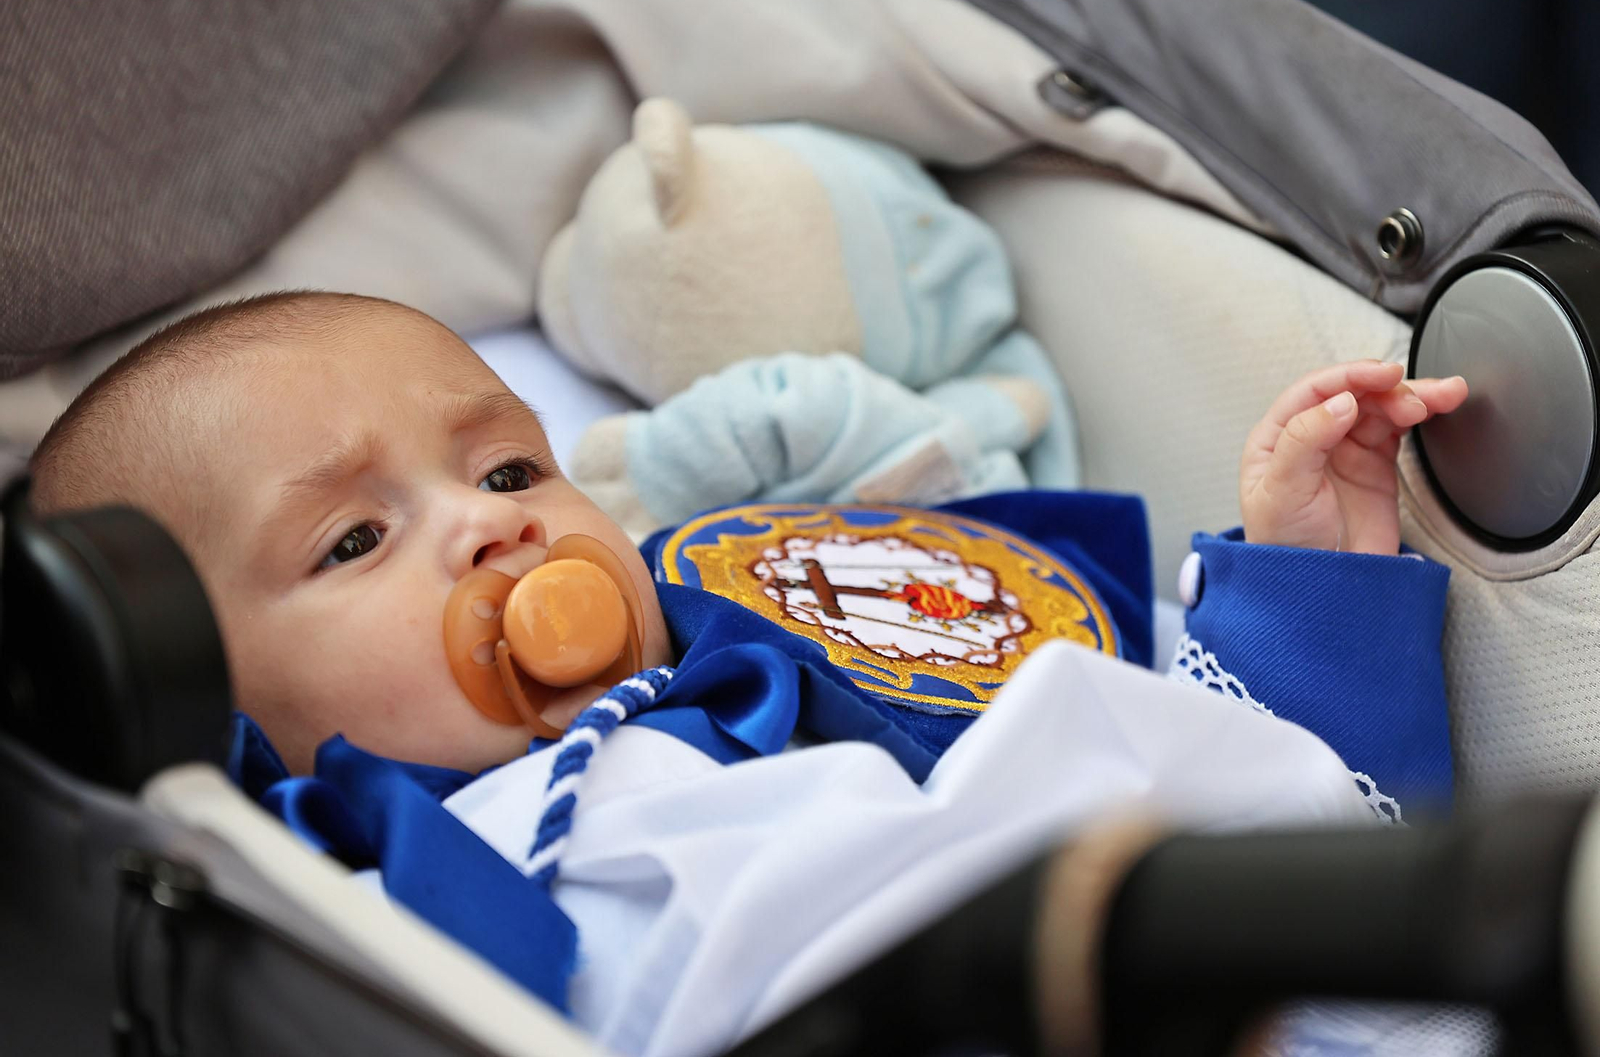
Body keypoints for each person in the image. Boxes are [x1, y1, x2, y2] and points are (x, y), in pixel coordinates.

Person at [26, 290, 1468, 1054]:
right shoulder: (334, 903)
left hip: (1194, 957)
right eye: (354, 539)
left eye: (511, 463)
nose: (490, 522)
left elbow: (1242, 772)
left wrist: (1309, 579)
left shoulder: (776, 658)